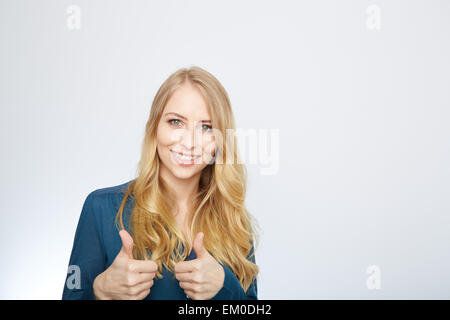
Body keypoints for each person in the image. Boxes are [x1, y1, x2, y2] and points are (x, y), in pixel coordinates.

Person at [62, 66, 259, 300]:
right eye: (176, 122)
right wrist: (100, 291)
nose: (189, 142)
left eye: (206, 127)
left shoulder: (233, 219)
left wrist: (225, 286)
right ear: (155, 127)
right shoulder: (101, 208)